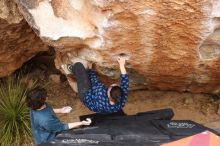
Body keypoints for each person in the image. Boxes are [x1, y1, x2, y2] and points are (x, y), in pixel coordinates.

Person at [26, 87, 91, 145]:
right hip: (48, 140)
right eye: (45, 96)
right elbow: (62, 127)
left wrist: (61, 110)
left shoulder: (34, 105)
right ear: (41, 100)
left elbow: (46, 111)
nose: (47, 96)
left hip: (42, 131)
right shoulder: (46, 121)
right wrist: (81, 123)